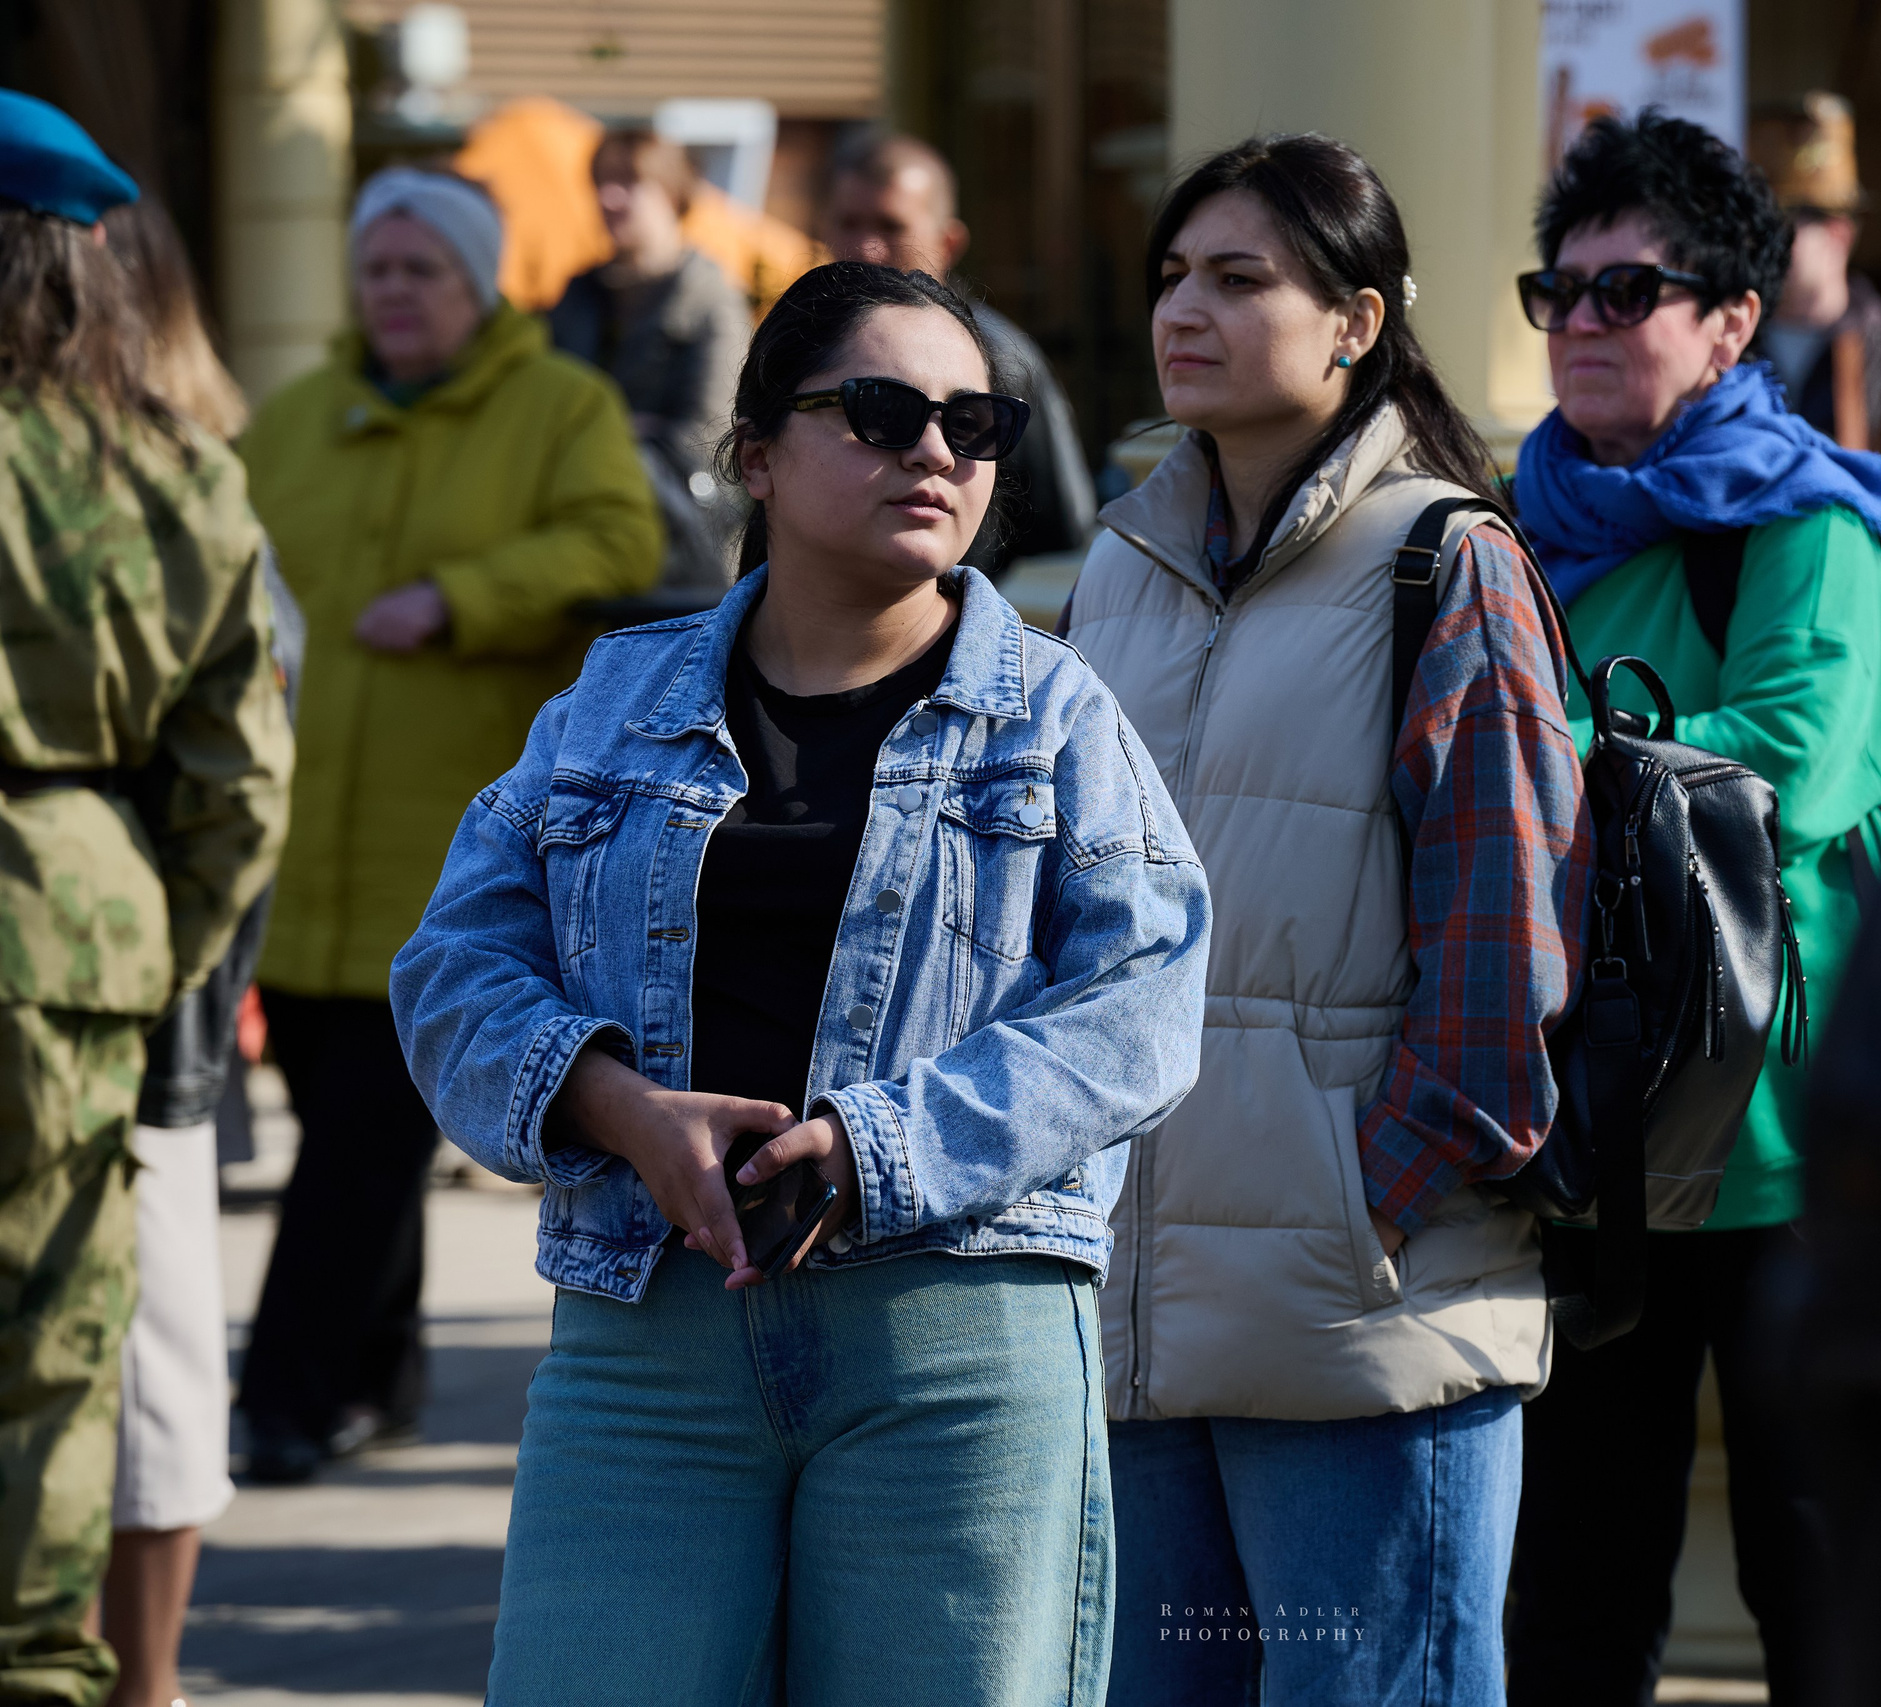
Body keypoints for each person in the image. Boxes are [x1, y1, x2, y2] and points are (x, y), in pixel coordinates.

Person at [389, 260, 1212, 1704]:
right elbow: (454, 963)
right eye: (885, 409)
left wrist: (885, 1146)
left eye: (978, 420)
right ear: (755, 454)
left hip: (955, 1344)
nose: (939, 450)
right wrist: (611, 1103)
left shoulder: (1055, 710)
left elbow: (1143, 1000)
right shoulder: (613, 699)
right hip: (649, 1337)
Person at [1069, 134, 1593, 1707]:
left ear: (1357, 322)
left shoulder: (1446, 559)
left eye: (1240, 278)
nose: (1187, 309)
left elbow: (1507, 950)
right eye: (1173, 274)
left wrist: (1368, 1201)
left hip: (1366, 1312)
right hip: (1137, 1311)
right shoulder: (1121, 563)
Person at [1503, 109, 1881, 1707]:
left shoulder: (1809, 525)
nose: (1586, 324)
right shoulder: (1508, 522)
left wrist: (1541, 772)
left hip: (1796, 1131)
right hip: (1596, 1128)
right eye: (1564, 290)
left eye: (1633, 292)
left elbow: (1791, 768)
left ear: (1734, 320)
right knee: (1579, 1590)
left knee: (1819, 1572)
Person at [235, 167, 662, 1485]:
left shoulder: (559, 409)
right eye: (378, 270)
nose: (397, 293)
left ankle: (285, 1398)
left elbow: (618, 542)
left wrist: (460, 596)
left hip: (455, 862)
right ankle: (381, 1374)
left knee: (361, 1141)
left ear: (479, 287)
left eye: (424, 270)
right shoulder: (300, 417)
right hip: (303, 852)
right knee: (349, 1135)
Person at [0, 92, 293, 1701]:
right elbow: (241, 776)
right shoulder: (168, 472)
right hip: (75, 948)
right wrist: (143, 942)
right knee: (53, 1359)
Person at [93, 194, 305, 1707]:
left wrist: (155, 979)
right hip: (130, 980)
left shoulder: (181, 492)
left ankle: (144, 1683)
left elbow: (236, 785)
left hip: (131, 1005)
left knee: (152, 1373)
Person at [825, 127, 1097, 575]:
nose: (865, 249)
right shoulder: (801, 349)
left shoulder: (1000, 359)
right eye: (848, 223)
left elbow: (1061, 529)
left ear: (948, 243)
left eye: (892, 227)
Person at [1745, 92, 1881, 558]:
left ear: (1839, 233)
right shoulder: (1726, 350)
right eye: (1757, 225)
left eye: (1784, 225)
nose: (1763, 243)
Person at [551, 130, 754, 592]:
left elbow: (712, 436)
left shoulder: (711, 300)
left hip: (680, 554)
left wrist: (598, 434)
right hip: (574, 534)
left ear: (671, 193)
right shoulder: (574, 298)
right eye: (600, 181)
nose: (609, 197)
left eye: (628, 181)